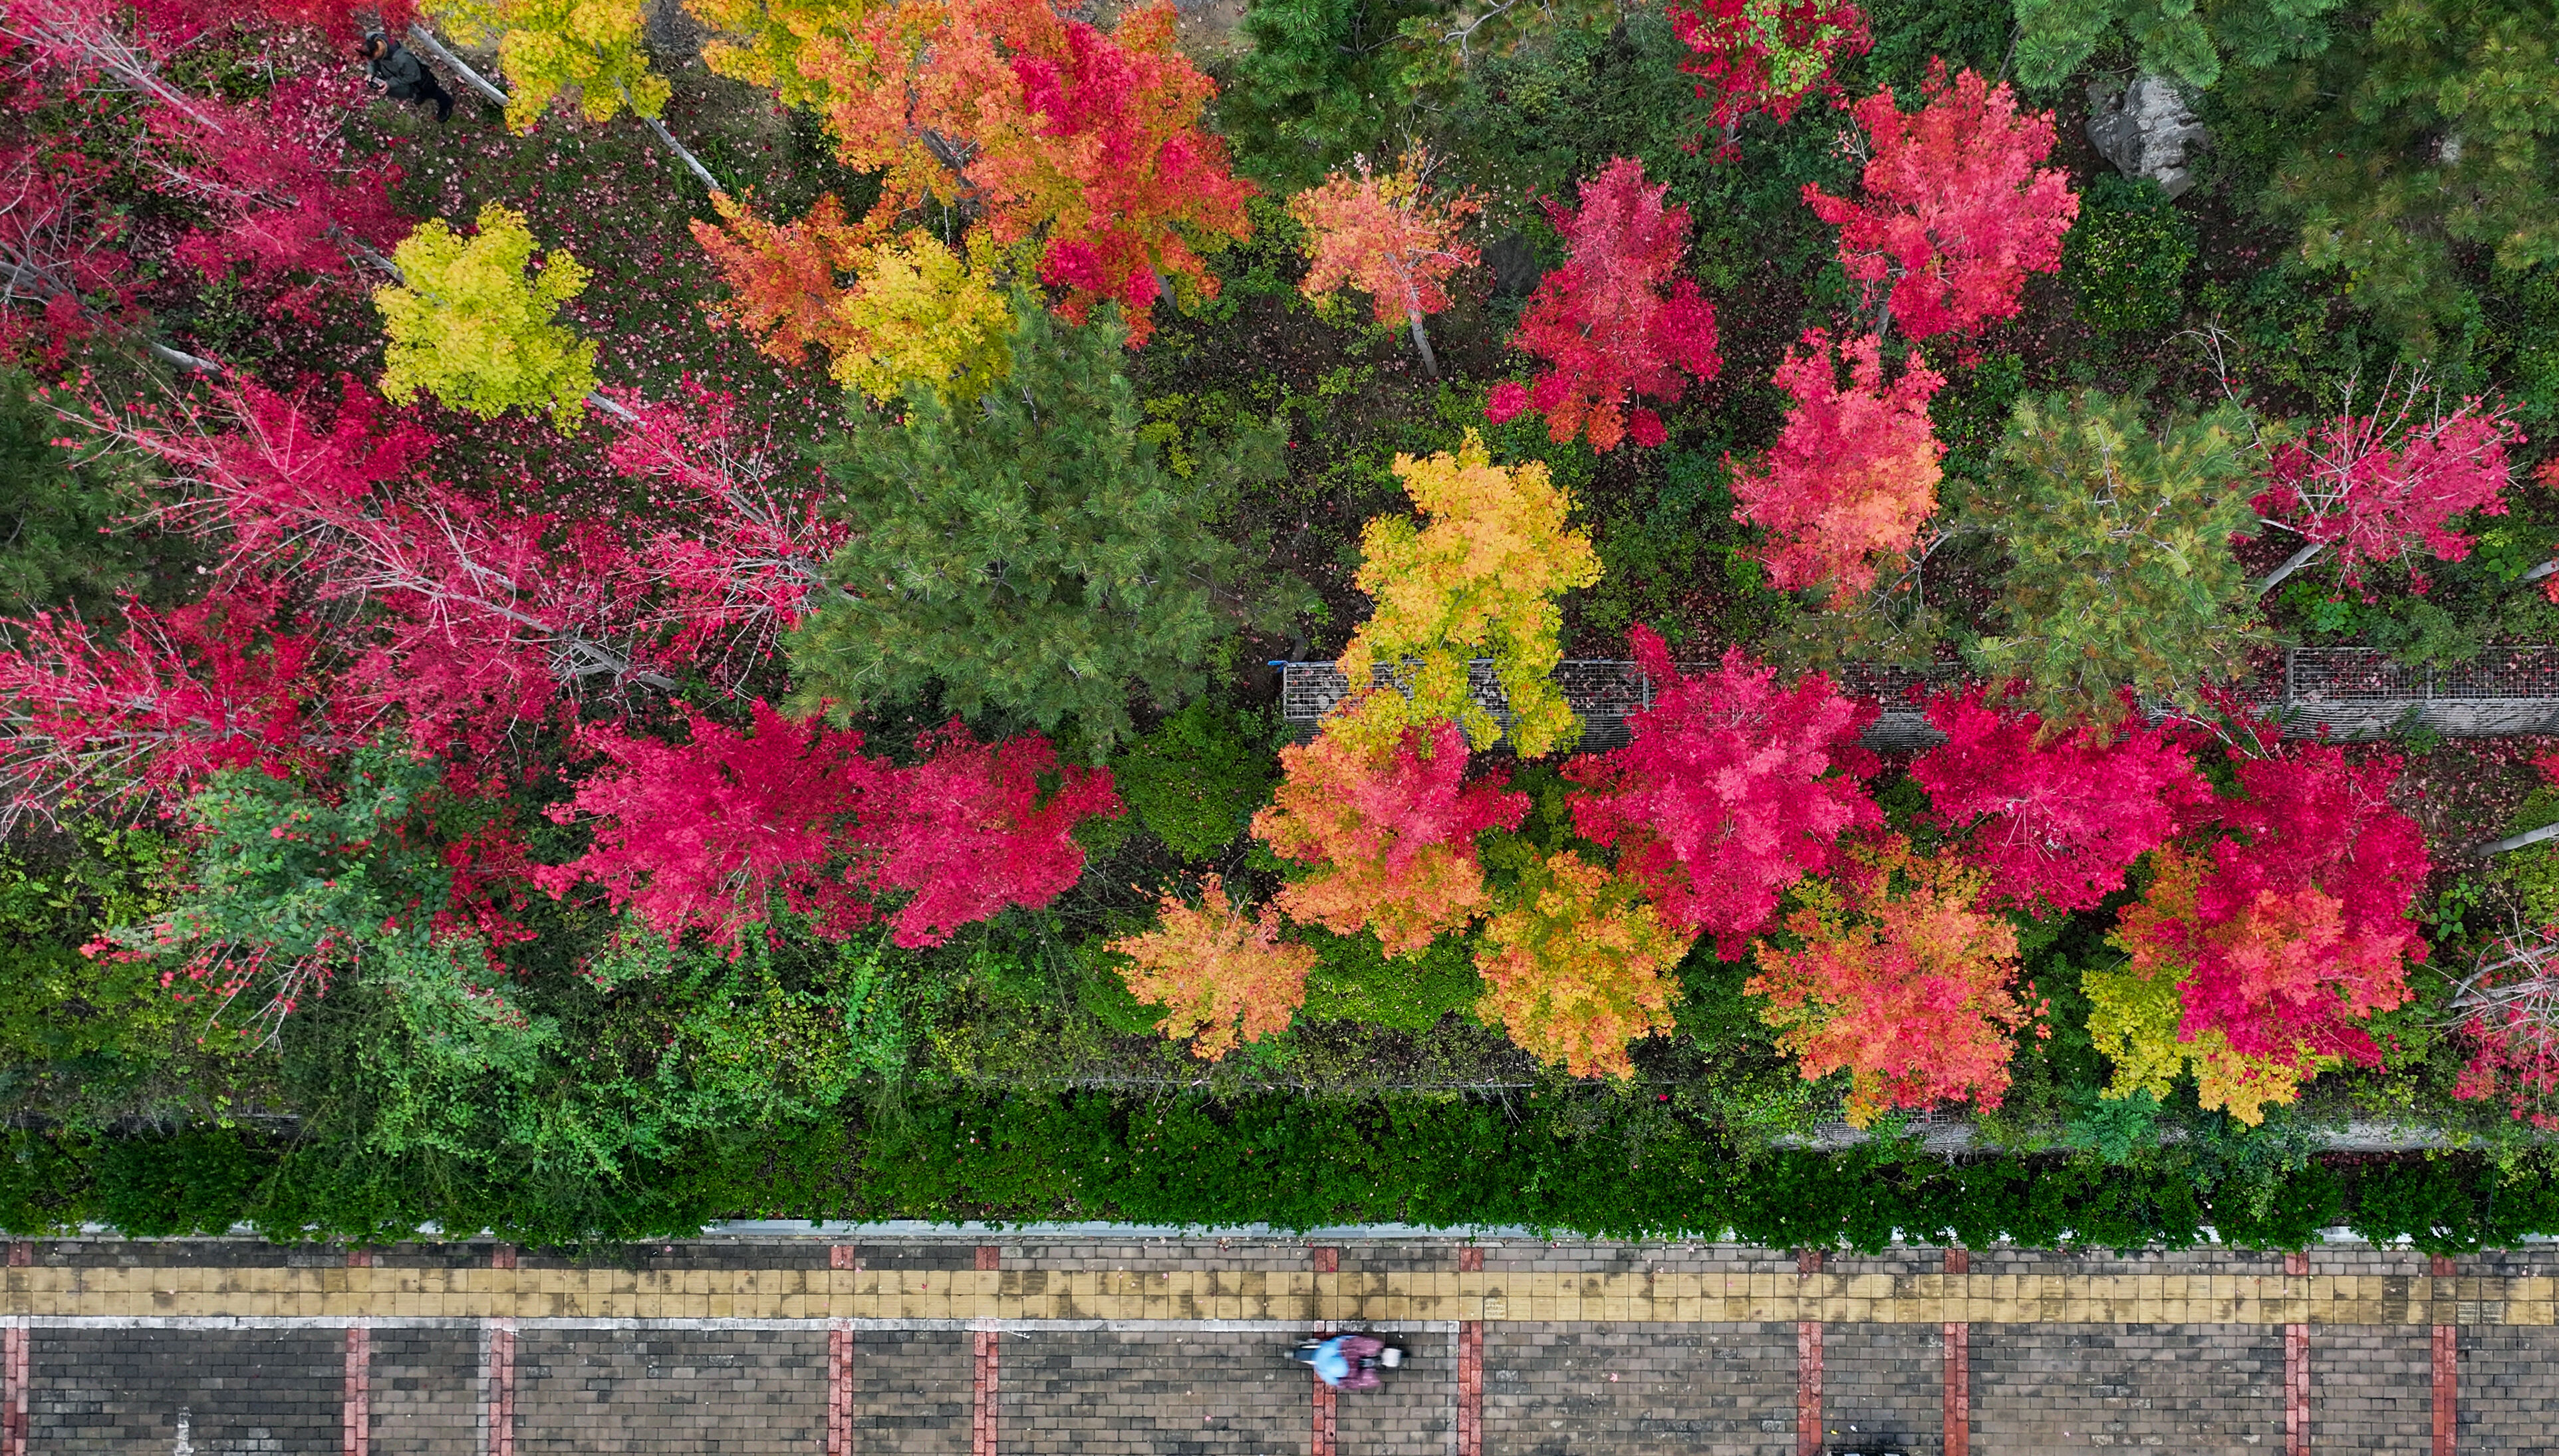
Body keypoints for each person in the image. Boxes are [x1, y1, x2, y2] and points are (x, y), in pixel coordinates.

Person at [357, 32, 454, 124]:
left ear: (378, 50)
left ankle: (446, 103)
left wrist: (389, 84)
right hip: (396, 72)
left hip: (418, 78)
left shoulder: (402, 59)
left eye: (372, 58)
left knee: (432, 91)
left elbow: (412, 76)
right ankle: (419, 95)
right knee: (418, 92)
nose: (370, 60)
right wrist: (371, 72)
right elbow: (371, 61)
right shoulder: (372, 38)